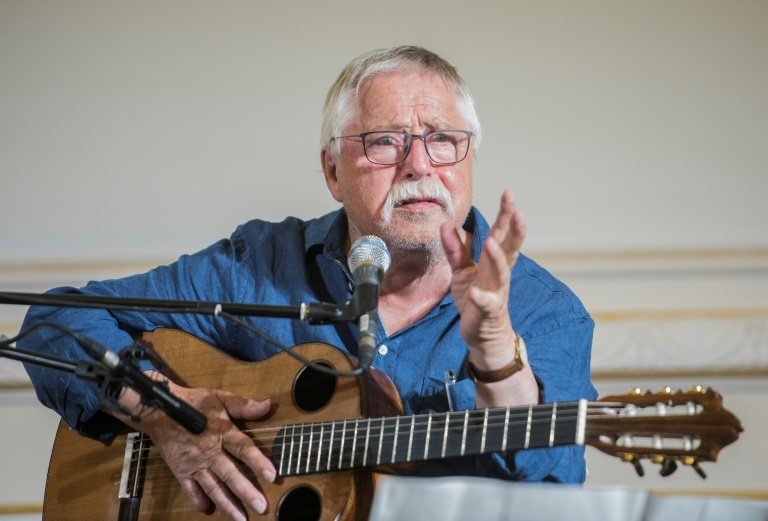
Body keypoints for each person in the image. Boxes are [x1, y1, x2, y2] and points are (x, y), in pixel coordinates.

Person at [19, 46, 597, 521]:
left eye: (443, 138)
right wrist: (162, 412)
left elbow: (550, 487)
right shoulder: (260, 265)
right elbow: (53, 323)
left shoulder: (546, 312)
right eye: (385, 140)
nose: (419, 164)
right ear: (331, 173)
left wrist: (495, 348)